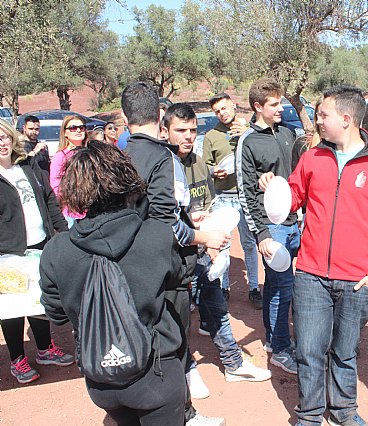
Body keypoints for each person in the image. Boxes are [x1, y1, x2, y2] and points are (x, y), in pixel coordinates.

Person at [260, 85, 368, 426]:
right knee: (310, 351)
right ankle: (309, 415)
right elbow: (293, 198)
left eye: (323, 115)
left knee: (345, 352)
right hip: (311, 274)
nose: (317, 121)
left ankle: (343, 412)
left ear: (346, 118)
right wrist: (276, 187)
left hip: (358, 279)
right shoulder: (312, 157)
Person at [39, 142, 187, 425]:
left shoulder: (56, 251)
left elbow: (55, 314)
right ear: (125, 180)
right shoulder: (156, 235)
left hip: (101, 379)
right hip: (157, 371)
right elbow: (178, 277)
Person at [122, 81, 227, 426]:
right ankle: (182, 414)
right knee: (174, 344)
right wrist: (203, 236)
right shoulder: (163, 158)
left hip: (129, 268)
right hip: (165, 269)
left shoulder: (120, 155)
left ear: (126, 117)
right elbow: (168, 223)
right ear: (158, 117)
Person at [162, 103, 271, 387]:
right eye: (180, 130)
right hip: (174, 257)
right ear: (165, 131)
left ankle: (233, 363)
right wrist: (192, 223)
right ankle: (186, 368)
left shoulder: (198, 162)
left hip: (200, 248)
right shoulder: (164, 167)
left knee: (216, 306)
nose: (188, 136)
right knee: (180, 317)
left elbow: (206, 201)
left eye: (192, 130)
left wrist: (205, 220)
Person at [0, 119, 73, 384]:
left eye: (5, 137)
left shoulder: (27, 166)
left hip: (40, 245)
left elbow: (48, 200)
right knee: (12, 308)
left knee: (40, 300)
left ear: (12, 139)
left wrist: (62, 231)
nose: (2, 143)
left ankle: (45, 349)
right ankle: (17, 359)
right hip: (8, 253)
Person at [236, 78, 299, 373]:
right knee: (283, 286)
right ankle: (280, 348)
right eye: (274, 104)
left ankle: (277, 341)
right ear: (258, 107)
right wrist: (260, 233)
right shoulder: (247, 142)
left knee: (281, 285)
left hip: (296, 223)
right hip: (272, 229)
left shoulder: (288, 132)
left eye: (281, 102)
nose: (281, 108)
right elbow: (245, 192)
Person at [202, 93, 261, 308]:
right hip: (223, 197)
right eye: (217, 111)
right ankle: (224, 287)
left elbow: (260, 157)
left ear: (233, 106)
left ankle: (254, 288)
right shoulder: (211, 136)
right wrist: (212, 171)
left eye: (224, 108)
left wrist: (247, 134)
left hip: (245, 195)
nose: (222, 113)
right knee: (223, 245)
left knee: (249, 244)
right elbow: (205, 165)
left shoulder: (251, 130)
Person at [50, 115, 88, 227]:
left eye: (81, 127)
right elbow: (55, 185)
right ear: (65, 133)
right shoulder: (60, 156)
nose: (78, 130)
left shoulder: (91, 152)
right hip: (72, 214)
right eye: (73, 128)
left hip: (93, 210)